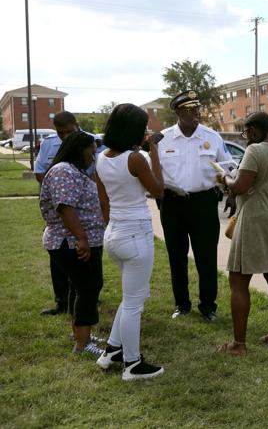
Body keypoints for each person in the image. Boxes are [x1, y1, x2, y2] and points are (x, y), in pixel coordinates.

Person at [95, 104, 166, 380]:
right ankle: (132, 364)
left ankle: (112, 350)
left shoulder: (101, 158)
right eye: (144, 126)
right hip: (136, 234)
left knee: (131, 298)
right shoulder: (135, 159)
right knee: (135, 303)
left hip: (115, 232)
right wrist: (155, 152)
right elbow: (158, 188)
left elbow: (103, 201)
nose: (147, 130)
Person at [217, 112, 268, 355]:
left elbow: (241, 187)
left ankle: (239, 345)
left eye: (247, 131)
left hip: (254, 219)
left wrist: (226, 179)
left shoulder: (254, 151)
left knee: (239, 280)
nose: (247, 136)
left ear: (253, 131)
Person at [158, 90, 231, 322]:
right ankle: (182, 304)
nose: (196, 114)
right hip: (172, 204)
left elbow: (227, 164)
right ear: (178, 112)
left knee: (206, 257)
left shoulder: (212, 137)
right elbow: (154, 170)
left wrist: (226, 179)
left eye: (197, 109)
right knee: (176, 256)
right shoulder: (163, 138)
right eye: (189, 110)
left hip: (204, 203)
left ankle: (208, 306)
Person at [38, 131, 105, 357]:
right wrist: (82, 239)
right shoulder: (63, 171)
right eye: (91, 152)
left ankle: (80, 334)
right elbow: (65, 208)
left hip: (76, 240)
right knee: (88, 287)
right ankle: (82, 344)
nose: (93, 157)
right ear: (80, 149)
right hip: (70, 241)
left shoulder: (73, 171)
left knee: (80, 287)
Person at [35, 111, 87, 316]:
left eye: (69, 131)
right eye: (60, 132)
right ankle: (62, 301)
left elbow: (96, 173)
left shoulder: (88, 141)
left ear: (77, 125)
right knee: (58, 255)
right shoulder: (48, 143)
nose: (65, 136)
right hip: (59, 208)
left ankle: (86, 295)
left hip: (82, 209)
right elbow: (39, 171)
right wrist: (58, 187)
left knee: (83, 253)